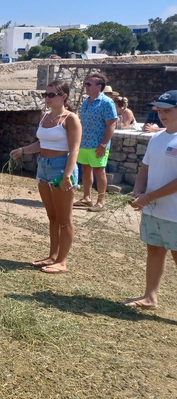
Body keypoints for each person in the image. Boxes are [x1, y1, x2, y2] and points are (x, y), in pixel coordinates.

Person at [9, 80, 81, 274]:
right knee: (52, 216)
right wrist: (23, 150)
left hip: (61, 168)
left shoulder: (70, 118)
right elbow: (42, 143)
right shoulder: (45, 118)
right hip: (44, 167)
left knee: (64, 218)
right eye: (45, 95)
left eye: (51, 95)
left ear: (63, 96)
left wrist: (67, 175)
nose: (47, 98)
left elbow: (74, 150)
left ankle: (62, 261)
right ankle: (52, 256)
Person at [124, 89, 177, 309]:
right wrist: (138, 191)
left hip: (174, 212)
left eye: (167, 110)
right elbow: (145, 167)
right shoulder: (157, 138)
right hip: (154, 209)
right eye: (159, 109)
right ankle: (150, 297)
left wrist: (147, 197)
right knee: (154, 249)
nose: (161, 114)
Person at [74, 73, 117, 212]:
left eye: (88, 84)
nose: (86, 87)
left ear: (99, 86)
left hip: (98, 144)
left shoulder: (106, 102)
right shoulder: (86, 102)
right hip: (84, 143)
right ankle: (87, 198)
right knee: (85, 170)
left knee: (99, 171)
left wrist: (104, 144)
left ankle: (101, 201)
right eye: (86, 84)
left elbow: (111, 124)